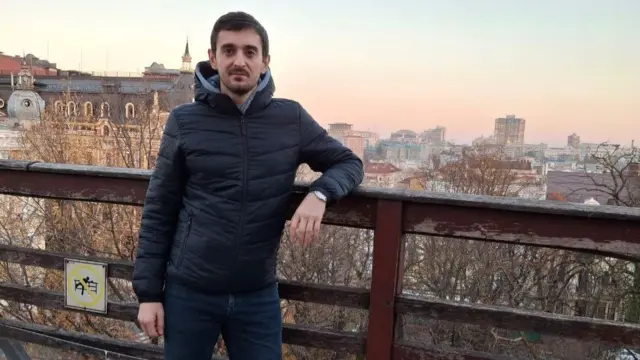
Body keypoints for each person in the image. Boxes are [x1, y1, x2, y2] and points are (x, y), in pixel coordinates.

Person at [131, 11, 364, 360]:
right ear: (213, 58)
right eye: (229, 50)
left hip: (256, 293)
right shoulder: (185, 121)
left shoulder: (290, 118)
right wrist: (149, 294)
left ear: (265, 61)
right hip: (189, 291)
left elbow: (349, 162)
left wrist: (319, 194)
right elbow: (159, 208)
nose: (239, 61)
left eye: (250, 52)